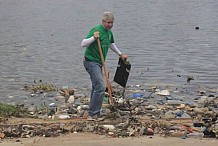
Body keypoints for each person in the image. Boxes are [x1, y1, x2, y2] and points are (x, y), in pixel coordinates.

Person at [81, 11, 128, 121]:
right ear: (103, 22)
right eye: (108, 23)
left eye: (112, 23)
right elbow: (83, 44)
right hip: (90, 61)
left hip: (99, 62)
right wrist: (93, 37)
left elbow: (111, 44)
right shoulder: (96, 30)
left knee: (96, 86)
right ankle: (93, 114)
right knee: (101, 86)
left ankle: (92, 111)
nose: (110, 25)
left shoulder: (109, 33)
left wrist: (120, 54)